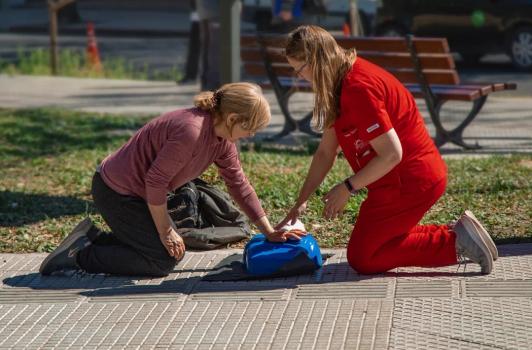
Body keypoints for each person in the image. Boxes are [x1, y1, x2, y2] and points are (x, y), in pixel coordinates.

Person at [276, 25, 498, 275]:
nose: (299, 77)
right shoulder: (339, 82)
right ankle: (459, 235)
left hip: (410, 181)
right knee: (370, 249)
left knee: (364, 257)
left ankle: (454, 242)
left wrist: (347, 187)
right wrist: (301, 201)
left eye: (300, 70)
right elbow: (326, 152)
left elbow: (392, 154)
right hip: (396, 181)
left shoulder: (357, 88)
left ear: (317, 61)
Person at [40, 82, 305, 277]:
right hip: (116, 192)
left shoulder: (222, 139)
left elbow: (239, 184)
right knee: (160, 261)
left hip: (142, 194)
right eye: (250, 129)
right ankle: (80, 255)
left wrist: (269, 231)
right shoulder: (191, 131)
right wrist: (166, 231)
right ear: (233, 117)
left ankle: (91, 239)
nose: (251, 136)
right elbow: (154, 182)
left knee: (164, 249)